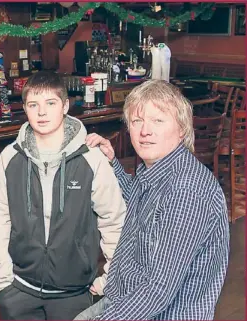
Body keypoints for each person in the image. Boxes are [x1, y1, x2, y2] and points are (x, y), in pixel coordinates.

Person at [78, 79, 230, 320]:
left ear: (182, 128)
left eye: (158, 121)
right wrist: (112, 163)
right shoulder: (161, 169)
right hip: (126, 298)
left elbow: (157, 292)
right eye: (137, 121)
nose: (145, 131)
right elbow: (141, 201)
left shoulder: (186, 191)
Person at [0, 71, 126, 320]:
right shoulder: (10, 158)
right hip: (19, 289)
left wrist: (109, 279)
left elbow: (114, 221)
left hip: (73, 293)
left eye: (50, 103)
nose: (41, 113)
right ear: (25, 109)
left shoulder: (91, 158)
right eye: (33, 105)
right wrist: (4, 279)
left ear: (64, 106)